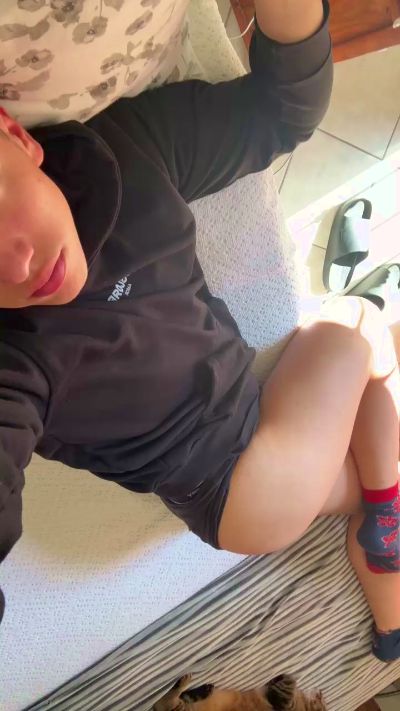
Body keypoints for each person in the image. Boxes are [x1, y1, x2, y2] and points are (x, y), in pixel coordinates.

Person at [0, 0, 399, 663]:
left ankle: (390, 611)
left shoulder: (123, 152)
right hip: (247, 484)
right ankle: (387, 524)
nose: (16, 265)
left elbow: (282, 112)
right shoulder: (12, 362)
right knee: (358, 322)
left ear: (15, 136)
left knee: (363, 464)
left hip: (244, 487)